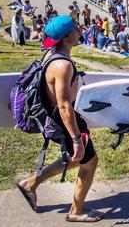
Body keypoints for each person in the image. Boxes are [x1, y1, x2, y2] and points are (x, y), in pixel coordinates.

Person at [16, 16, 103, 222]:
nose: (79, 30)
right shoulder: (62, 65)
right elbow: (64, 105)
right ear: (65, 37)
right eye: (75, 28)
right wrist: (75, 139)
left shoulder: (52, 54)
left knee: (76, 160)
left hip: (62, 119)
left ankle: (30, 184)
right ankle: (76, 211)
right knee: (89, 163)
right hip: (64, 122)